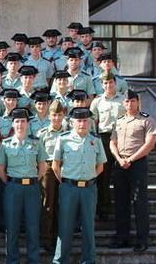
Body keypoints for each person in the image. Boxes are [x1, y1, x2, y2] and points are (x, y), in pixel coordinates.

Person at [52, 107, 107, 264]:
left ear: (89, 122)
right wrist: (65, 181)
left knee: (88, 227)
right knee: (65, 227)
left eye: (85, 120)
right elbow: (56, 165)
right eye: (79, 120)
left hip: (89, 189)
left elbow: (100, 166)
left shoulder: (95, 140)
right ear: (72, 122)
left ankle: (89, 260)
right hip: (69, 188)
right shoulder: (63, 139)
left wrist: (90, 178)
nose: (82, 123)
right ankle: (60, 260)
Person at [109, 90, 156, 252]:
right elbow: (112, 142)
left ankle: (142, 240)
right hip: (120, 164)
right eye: (126, 102)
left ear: (137, 102)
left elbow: (150, 144)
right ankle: (122, 238)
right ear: (123, 104)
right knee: (120, 202)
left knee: (139, 202)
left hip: (137, 164)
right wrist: (118, 158)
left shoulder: (146, 119)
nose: (129, 104)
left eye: (132, 101)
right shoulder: (119, 121)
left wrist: (130, 159)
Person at [0, 107, 48, 264]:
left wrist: (33, 180)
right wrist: (12, 183)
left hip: (32, 188)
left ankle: (33, 259)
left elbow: (43, 166)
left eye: (23, 121)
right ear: (13, 124)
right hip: (13, 187)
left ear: (28, 123)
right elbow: (0, 170)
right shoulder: (5, 144)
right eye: (17, 121)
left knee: (33, 226)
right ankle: (12, 260)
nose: (20, 124)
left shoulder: (36, 142)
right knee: (12, 227)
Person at [89, 73, 126, 219]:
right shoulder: (97, 102)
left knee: (120, 174)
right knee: (103, 174)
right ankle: (103, 208)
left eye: (111, 82)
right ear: (102, 85)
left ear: (115, 83)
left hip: (121, 138)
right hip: (103, 138)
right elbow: (93, 122)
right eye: (105, 83)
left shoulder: (123, 100)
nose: (108, 85)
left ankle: (121, 207)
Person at [37, 100, 68, 251]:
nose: (57, 118)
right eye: (54, 115)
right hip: (48, 169)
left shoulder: (68, 132)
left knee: (62, 205)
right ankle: (46, 239)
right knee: (47, 204)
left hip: (66, 168)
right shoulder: (42, 133)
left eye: (60, 115)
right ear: (49, 116)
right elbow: (38, 155)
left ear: (64, 115)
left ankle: (60, 238)